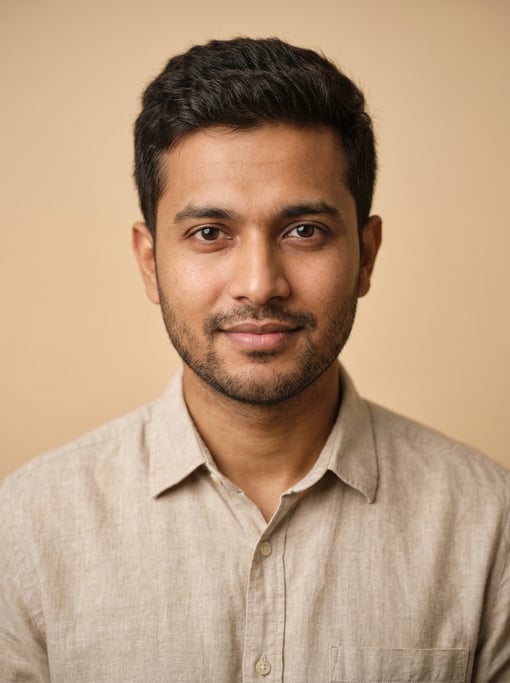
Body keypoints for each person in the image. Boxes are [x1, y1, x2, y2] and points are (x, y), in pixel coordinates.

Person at [1, 37, 509, 683]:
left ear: (368, 255)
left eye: (305, 231)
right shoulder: (27, 527)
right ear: (150, 261)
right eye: (210, 233)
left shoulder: (490, 526)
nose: (260, 282)